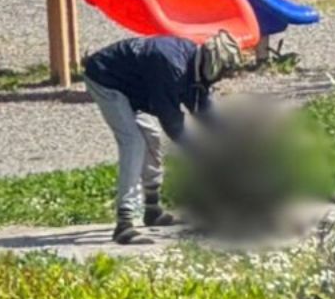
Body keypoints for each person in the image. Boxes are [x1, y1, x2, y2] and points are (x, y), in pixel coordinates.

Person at [83, 31, 243, 245]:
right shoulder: (171, 67)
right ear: (214, 64)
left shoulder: (194, 63)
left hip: (131, 85)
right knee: (133, 142)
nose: (223, 77)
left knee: (151, 138)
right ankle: (124, 223)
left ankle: (152, 210)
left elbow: (204, 109)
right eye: (223, 71)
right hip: (106, 78)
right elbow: (172, 123)